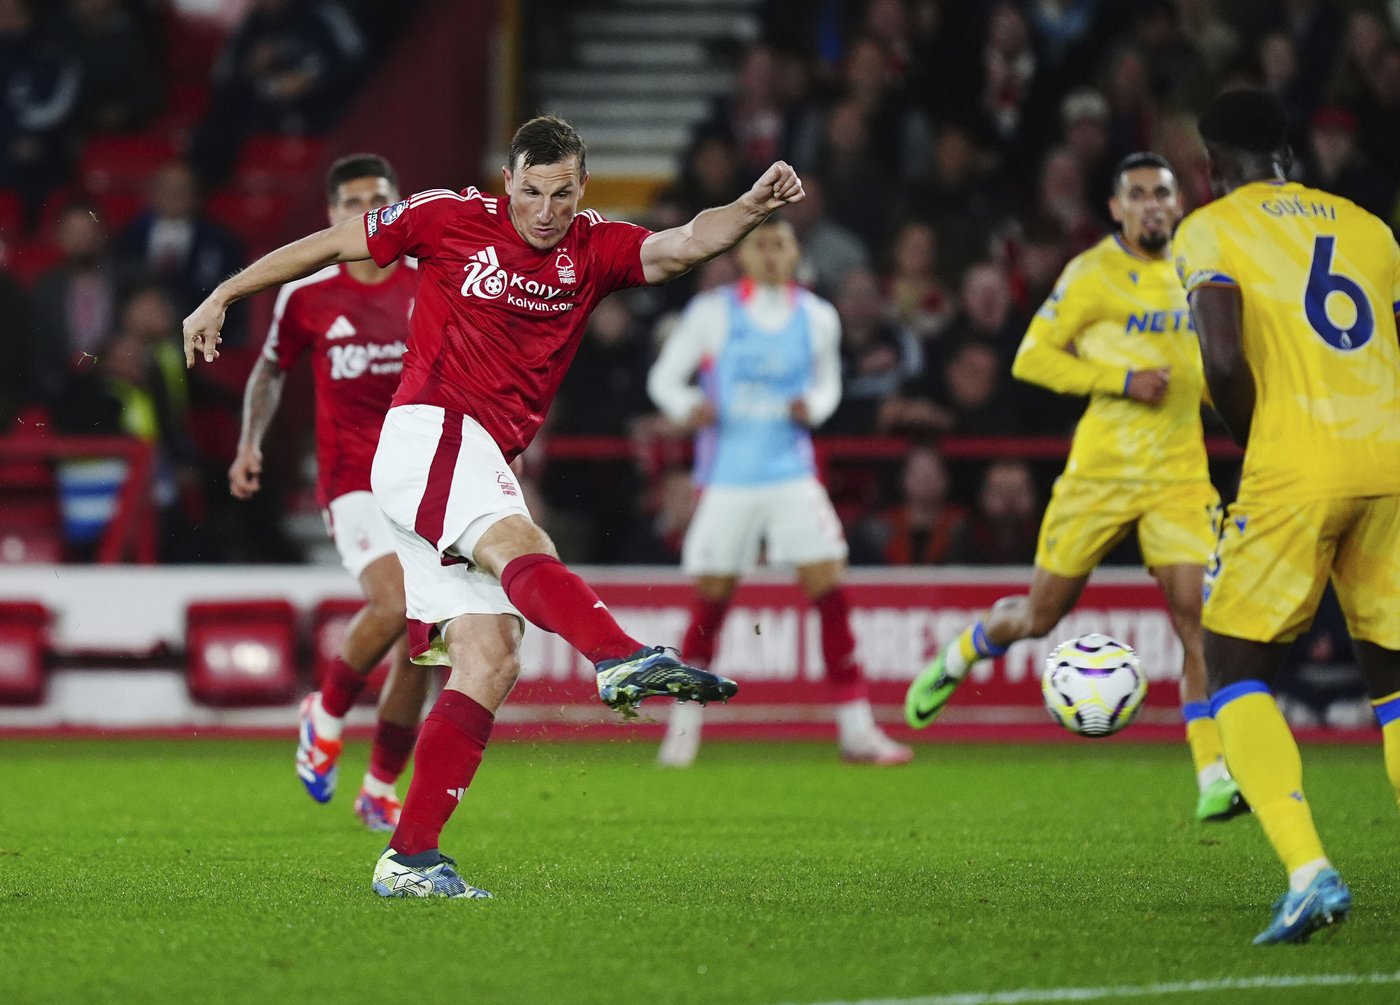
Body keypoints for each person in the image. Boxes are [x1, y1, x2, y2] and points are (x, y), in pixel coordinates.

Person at [184, 115, 804, 899]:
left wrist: (749, 207)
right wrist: (224, 293)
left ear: (583, 189)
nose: (546, 210)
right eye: (533, 190)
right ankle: (616, 653)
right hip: (429, 431)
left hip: (478, 455)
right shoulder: (447, 216)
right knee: (520, 539)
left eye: (563, 193)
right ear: (508, 181)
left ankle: (409, 857)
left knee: (491, 656)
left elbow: (682, 242)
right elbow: (327, 246)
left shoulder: (595, 247)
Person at [904, 153, 1246, 827]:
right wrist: (1118, 381)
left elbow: (1208, 363)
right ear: (1116, 209)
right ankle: (963, 650)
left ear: (1178, 205)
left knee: (1197, 619)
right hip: (1099, 474)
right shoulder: (1092, 272)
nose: (1152, 204)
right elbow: (1032, 357)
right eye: (1138, 194)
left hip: (1179, 474)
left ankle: (1213, 773)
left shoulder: (1198, 269)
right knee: (1040, 616)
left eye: (1162, 193)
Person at [1174, 88, 1400, 944]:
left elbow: (1223, 355)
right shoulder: (1371, 228)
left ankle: (1309, 872)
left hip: (1295, 463)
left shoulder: (1211, 227)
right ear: (1289, 158)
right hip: (1392, 457)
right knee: (1395, 680)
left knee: (1230, 659)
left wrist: (1254, 437)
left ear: (1210, 166)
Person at [645, 218, 913, 768]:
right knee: (711, 602)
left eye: (780, 244)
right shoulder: (714, 313)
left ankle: (858, 731)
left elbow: (827, 383)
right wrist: (685, 407)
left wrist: (812, 408)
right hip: (728, 478)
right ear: (743, 256)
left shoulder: (817, 316)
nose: (769, 253)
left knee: (831, 590)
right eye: (759, 244)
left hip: (790, 474)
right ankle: (683, 731)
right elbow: (664, 380)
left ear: (796, 255)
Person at [228, 154, 428, 833]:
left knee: (428, 641)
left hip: (430, 480)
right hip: (355, 482)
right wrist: (250, 442)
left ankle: (379, 785)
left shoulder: (432, 283)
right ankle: (328, 709)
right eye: (352, 202)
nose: (366, 210)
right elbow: (269, 371)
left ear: (399, 204)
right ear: (332, 216)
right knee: (398, 601)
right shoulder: (308, 292)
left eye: (379, 197)